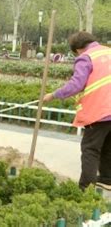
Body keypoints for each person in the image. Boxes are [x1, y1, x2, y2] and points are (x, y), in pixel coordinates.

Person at [43, 31, 111, 191]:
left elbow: (76, 85)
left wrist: (53, 95)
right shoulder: (108, 51)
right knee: (108, 145)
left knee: (90, 149)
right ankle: (107, 179)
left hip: (99, 111)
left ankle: (85, 188)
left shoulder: (86, 57)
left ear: (78, 49)